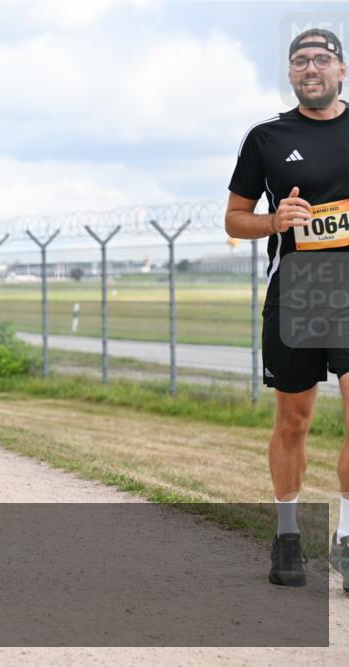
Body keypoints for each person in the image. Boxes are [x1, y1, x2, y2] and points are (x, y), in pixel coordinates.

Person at [225, 28, 349, 590]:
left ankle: (346, 539)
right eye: (300, 61)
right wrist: (275, 222)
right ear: (291, 74)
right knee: (294, 421)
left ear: (341, 71)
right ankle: (288, 534)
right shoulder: (266, 138)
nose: (310, 68)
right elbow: (234, 220)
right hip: (300, 287)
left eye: (322, 59)